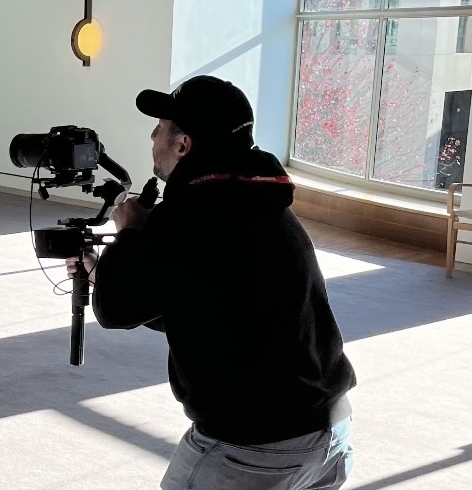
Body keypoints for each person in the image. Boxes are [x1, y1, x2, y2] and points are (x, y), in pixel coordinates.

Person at [71, 75, 357, 490]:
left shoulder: (189, 216)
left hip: (256, 446)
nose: (152, 135)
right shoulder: (259, 200)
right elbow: (202, 305)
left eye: (160, 127)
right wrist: (104, 271)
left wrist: (130, 231)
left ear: (183, 144)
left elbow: (114, 311)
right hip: (329, 430)